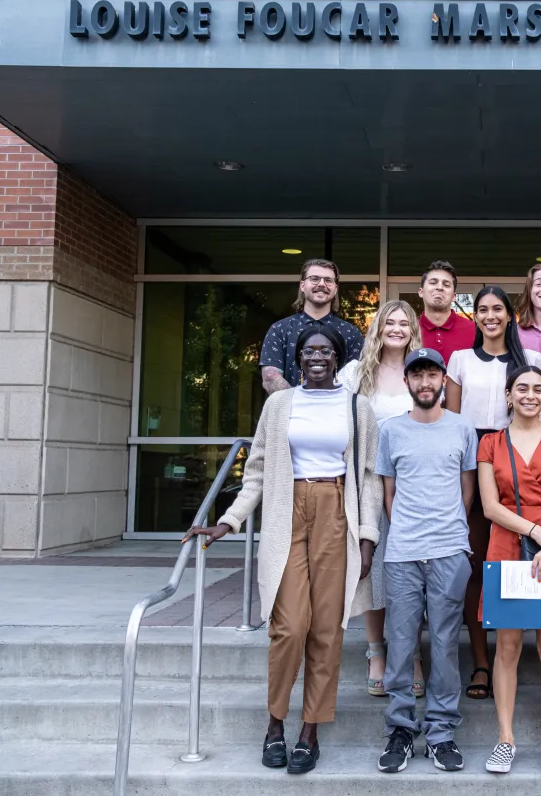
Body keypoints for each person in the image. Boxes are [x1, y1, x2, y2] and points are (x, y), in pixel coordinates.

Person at [184, 323, 382, 775]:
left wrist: (366, 537)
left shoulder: (358, 406)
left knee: (326, 630)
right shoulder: (278, 405)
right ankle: (275, 724)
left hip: (337, 512)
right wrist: (229, 520)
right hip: (287, 511)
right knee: (289, 626)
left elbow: (369, 477)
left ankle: (310, 732)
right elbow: (256, 470)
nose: (317, 356)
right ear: (298, 359)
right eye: (309, 350)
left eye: (326, 350)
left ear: (338, 359)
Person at [376, 348, 478, 774]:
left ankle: (440, 731)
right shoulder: (391, 431)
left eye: (431, 375)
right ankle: (400, 729)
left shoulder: (462, 428)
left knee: (444, 643)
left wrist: (452, 534)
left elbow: (467, 490)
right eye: (416, 375)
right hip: (402, 552)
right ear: (407, 383)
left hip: (450, 551)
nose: (424, 382)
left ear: (441, 381)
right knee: (399, 644)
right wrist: (404, 532)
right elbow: (388, 494)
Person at [446, 286, 541, 702]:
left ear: (510, 316)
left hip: (519, 464)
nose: (490, 316)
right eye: (482, 309)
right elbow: (451, 423)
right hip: (472, 465)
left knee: (517, 556)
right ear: (476, 317)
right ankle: (483, 661)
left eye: (497, 309)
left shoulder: (532, 362)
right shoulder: (460, 360)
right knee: (476, 564)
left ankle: (529, 651)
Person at [478, 366, 541, 776]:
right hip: (508, 543)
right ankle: (505, 739)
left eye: (539, 389)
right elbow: (489, 506)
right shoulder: (490, 443)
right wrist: (538, 532)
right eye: (522, 388)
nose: (531, 395)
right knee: (506, 646)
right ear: (508, 395)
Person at [337, 301, 425, 699]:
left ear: (412, 330)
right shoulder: (355, 374)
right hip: (367, 482)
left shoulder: (420, 370)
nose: (396, 328)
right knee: (372, 569)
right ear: (377, 328)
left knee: (412, 571)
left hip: (415, 485)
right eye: (389, 321)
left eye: (404, 322)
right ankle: (376, 652)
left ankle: (413, 655)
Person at [260, 259, 365, 393]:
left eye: (328, 280)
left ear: (335, 289)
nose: (322, 284)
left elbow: (359, 379)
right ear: (302, 286)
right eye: (314, 279)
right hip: (289, 412)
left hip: (337, 412)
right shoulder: (280, 329)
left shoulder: (352, 333)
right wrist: (299, 404)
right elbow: (270, 377)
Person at [417, 260, 477, 363]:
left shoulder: (474, 331)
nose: (439, 287)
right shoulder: (409, 330)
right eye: (433, 282)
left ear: (454, 296)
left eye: (446, 285)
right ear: (421, 292)